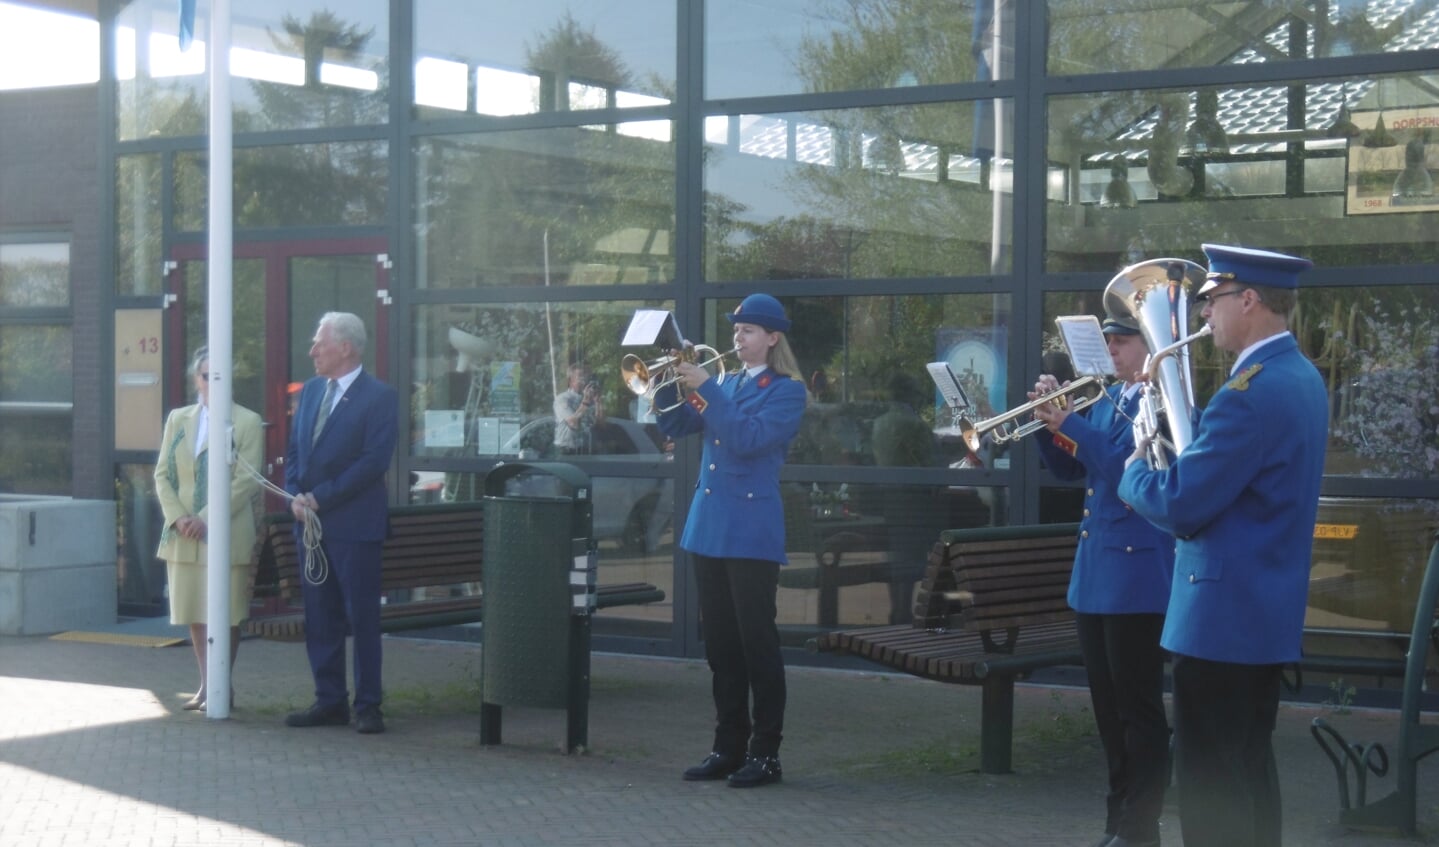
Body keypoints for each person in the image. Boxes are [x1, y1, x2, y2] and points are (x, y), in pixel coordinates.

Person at [1118, 244, 1325, 847]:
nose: (1205, 315)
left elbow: (1182, 501)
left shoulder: (1249, 394)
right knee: (1250, 778)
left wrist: (1134, 474)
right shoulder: (1301, 377)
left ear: (1250, 300)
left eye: (1213, 301)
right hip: (1261, 616)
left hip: (1219, 620)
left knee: (1212, 793)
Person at [1030, 314, 1175, 847]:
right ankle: (1120, 820)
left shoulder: (1163, 402)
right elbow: (1072, 471)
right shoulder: (1109, 400)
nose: (1112, 350)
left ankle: (1142, 825)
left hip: (1137, 575)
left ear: (1150, 344)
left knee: (1139, 710)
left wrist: (1071, 424)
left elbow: (1127, 469)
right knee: (1109, 713)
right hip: (1096, 576)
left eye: (1123, 341)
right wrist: (1049, 425)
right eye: (1107, 342)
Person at [657, 293, 807, 788]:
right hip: (710, 525)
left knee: (756, 643)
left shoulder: (786, 391)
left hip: (750, 528)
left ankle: (766, 752)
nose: (737, 337)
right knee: (721, 647)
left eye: (747, 330)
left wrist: (707, 387)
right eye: (736, 329)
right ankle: (728, 745)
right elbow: (676, 424)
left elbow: (746, 438)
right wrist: (669, 377)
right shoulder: (723, 381)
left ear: (772, 337)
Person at [283, 312, 398, 735]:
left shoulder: (378, 397)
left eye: (320, 343)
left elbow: (373, 462)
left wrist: (322, 496)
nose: (312, 351)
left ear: (346, 347)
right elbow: (294, 450)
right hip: (309, 524)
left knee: (362, 618)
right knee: (321, 615)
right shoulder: (311, 391)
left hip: (354, 525)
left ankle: (369, 705)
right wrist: (294, 492)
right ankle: (328, 701)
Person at [153, 346, 264, 712]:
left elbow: (246, 481)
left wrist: (206, 517)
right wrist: (180, 517)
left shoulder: (247, 421)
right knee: (195, 612)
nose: (211, 382)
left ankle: (221, 686)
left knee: (227, 614)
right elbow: (162, 474)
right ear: (195, 380)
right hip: (184, 534)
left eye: (219, 376)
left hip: (226, 533)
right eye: (206, 375)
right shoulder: (178, 419)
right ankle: (204, 685)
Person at [554, 362, 605, 454]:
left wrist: (598, 402)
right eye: (581, 377)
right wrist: (585, 403)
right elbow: (573, 423)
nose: (585, 380)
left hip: (589, 450)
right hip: (568, 450)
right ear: (571, 381)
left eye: (587, 377)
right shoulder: (563, 399)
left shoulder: (591, 399)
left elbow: (601, 426)